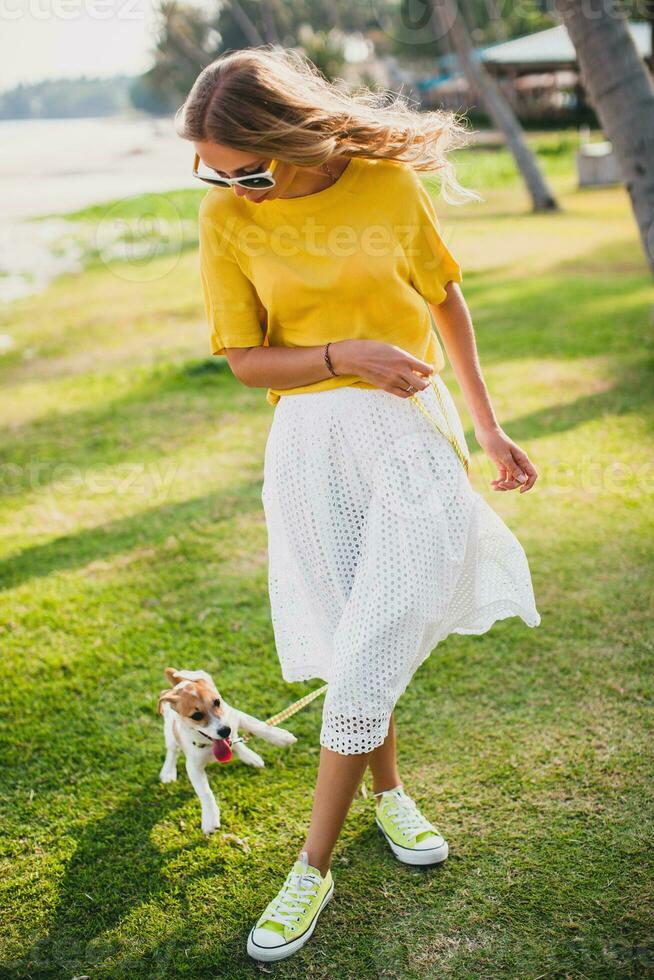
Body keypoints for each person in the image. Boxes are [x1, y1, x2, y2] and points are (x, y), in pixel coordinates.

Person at [176, 44, 541, 963]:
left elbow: (445, 299)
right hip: (308, 445)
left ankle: (312, 864)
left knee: (373, 635)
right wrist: (345, 356)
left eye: (246, 169)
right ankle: (389, 795)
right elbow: (246, 360)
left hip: (408, 432)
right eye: (212, 173)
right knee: (353, 637)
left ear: (289, 137)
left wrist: (491, 431)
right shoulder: (227, 219)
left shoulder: (381, 187)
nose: (231, 187)